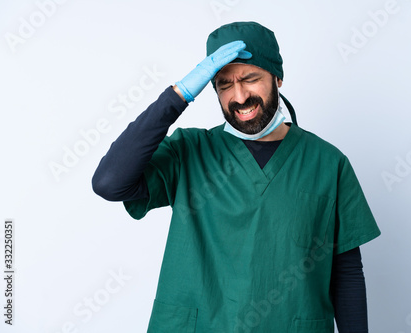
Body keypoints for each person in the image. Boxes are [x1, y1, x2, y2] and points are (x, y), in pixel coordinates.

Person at [92, 21, 380, 333]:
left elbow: (346, 271)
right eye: (224, 84)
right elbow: (109, 182)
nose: (239, 96)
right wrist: (178, 96)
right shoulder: (189, 151)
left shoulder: (327, 163)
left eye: (250, 78)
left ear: (277, 77)